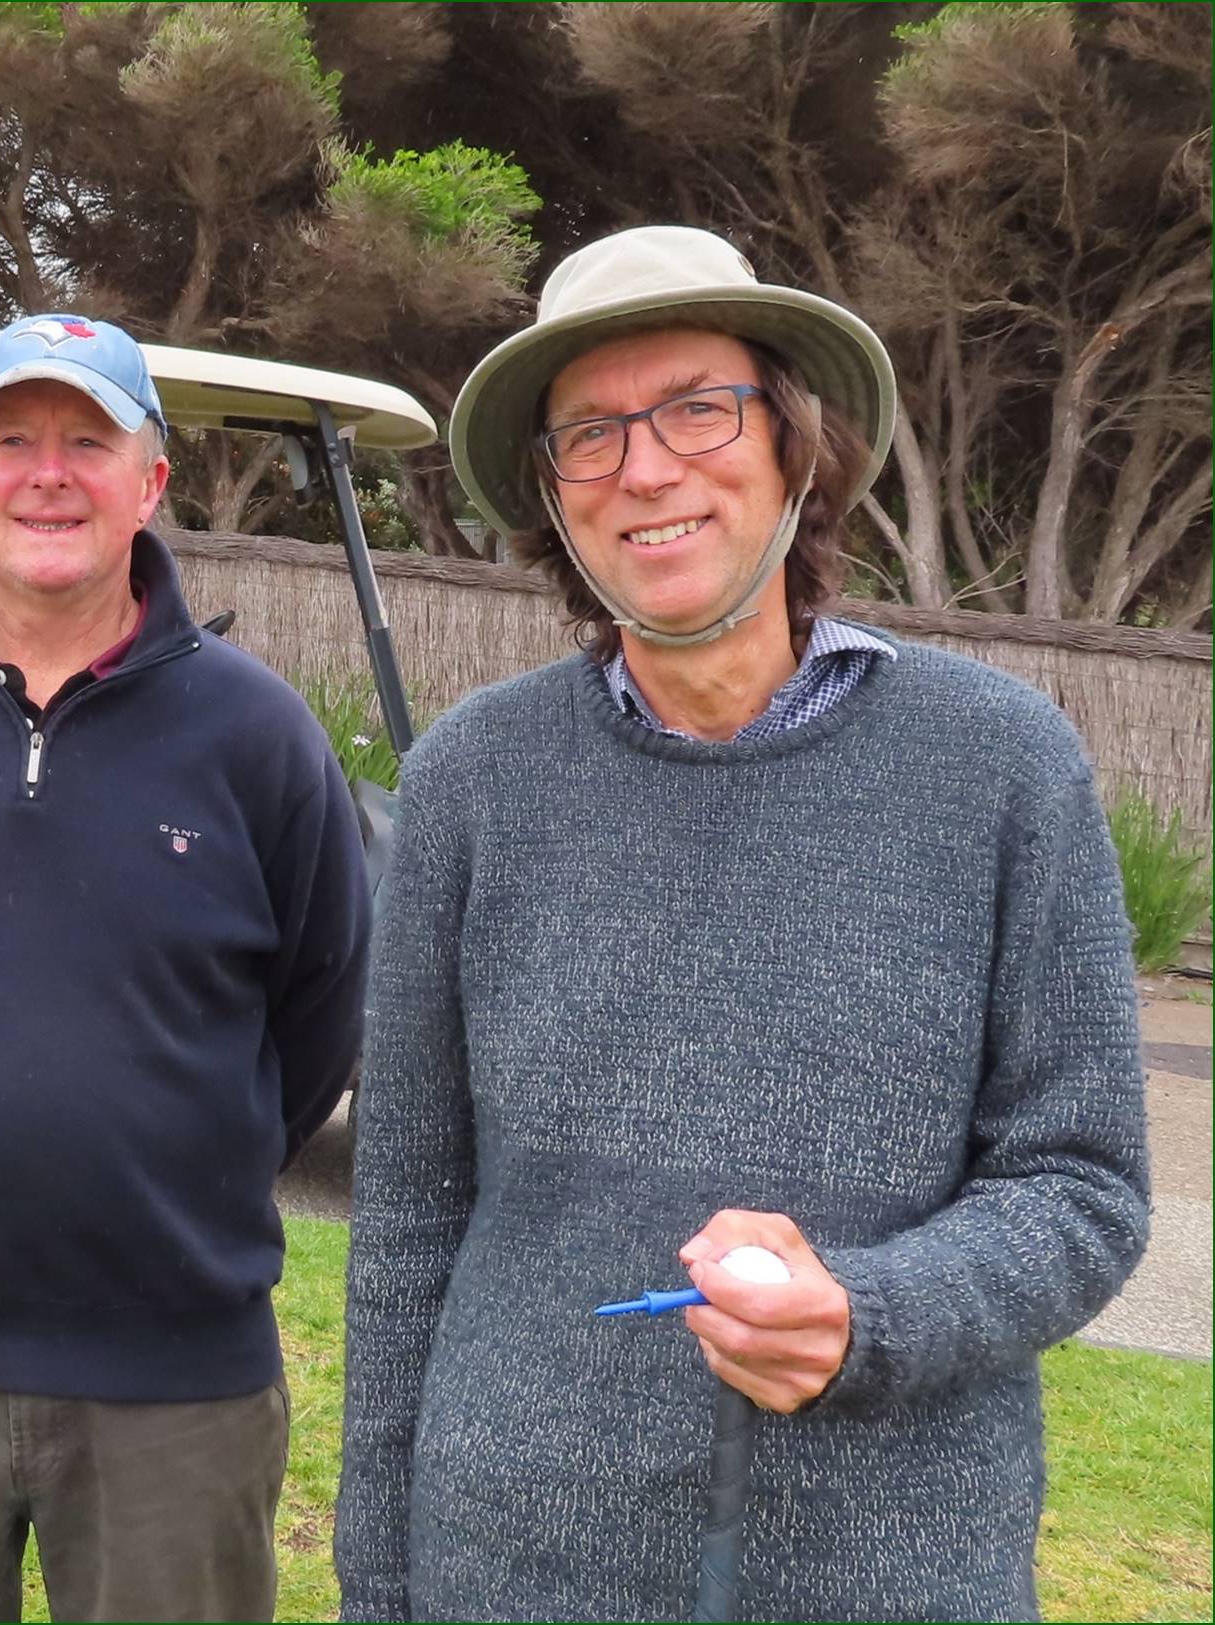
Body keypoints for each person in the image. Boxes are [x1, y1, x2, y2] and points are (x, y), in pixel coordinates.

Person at [335, 226, 1151, 1621]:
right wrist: (379, 1583)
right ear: (552, 494)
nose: (645, 468)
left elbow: (1082, 1186)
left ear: (796, 446)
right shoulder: (468, 780)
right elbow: (409, 1217)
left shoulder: (1002, 766)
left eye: (697, 407)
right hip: (514, 1569)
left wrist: (868, 1314)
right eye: (588, 434)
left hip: (885, 1574)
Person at [0, 312, 370, 1622]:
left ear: (150, 484)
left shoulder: (260, 738)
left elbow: (319, 1015)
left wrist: (174, 1164)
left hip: (175, 1377)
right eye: (14, 438)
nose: (51, 472)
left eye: (90, 440)